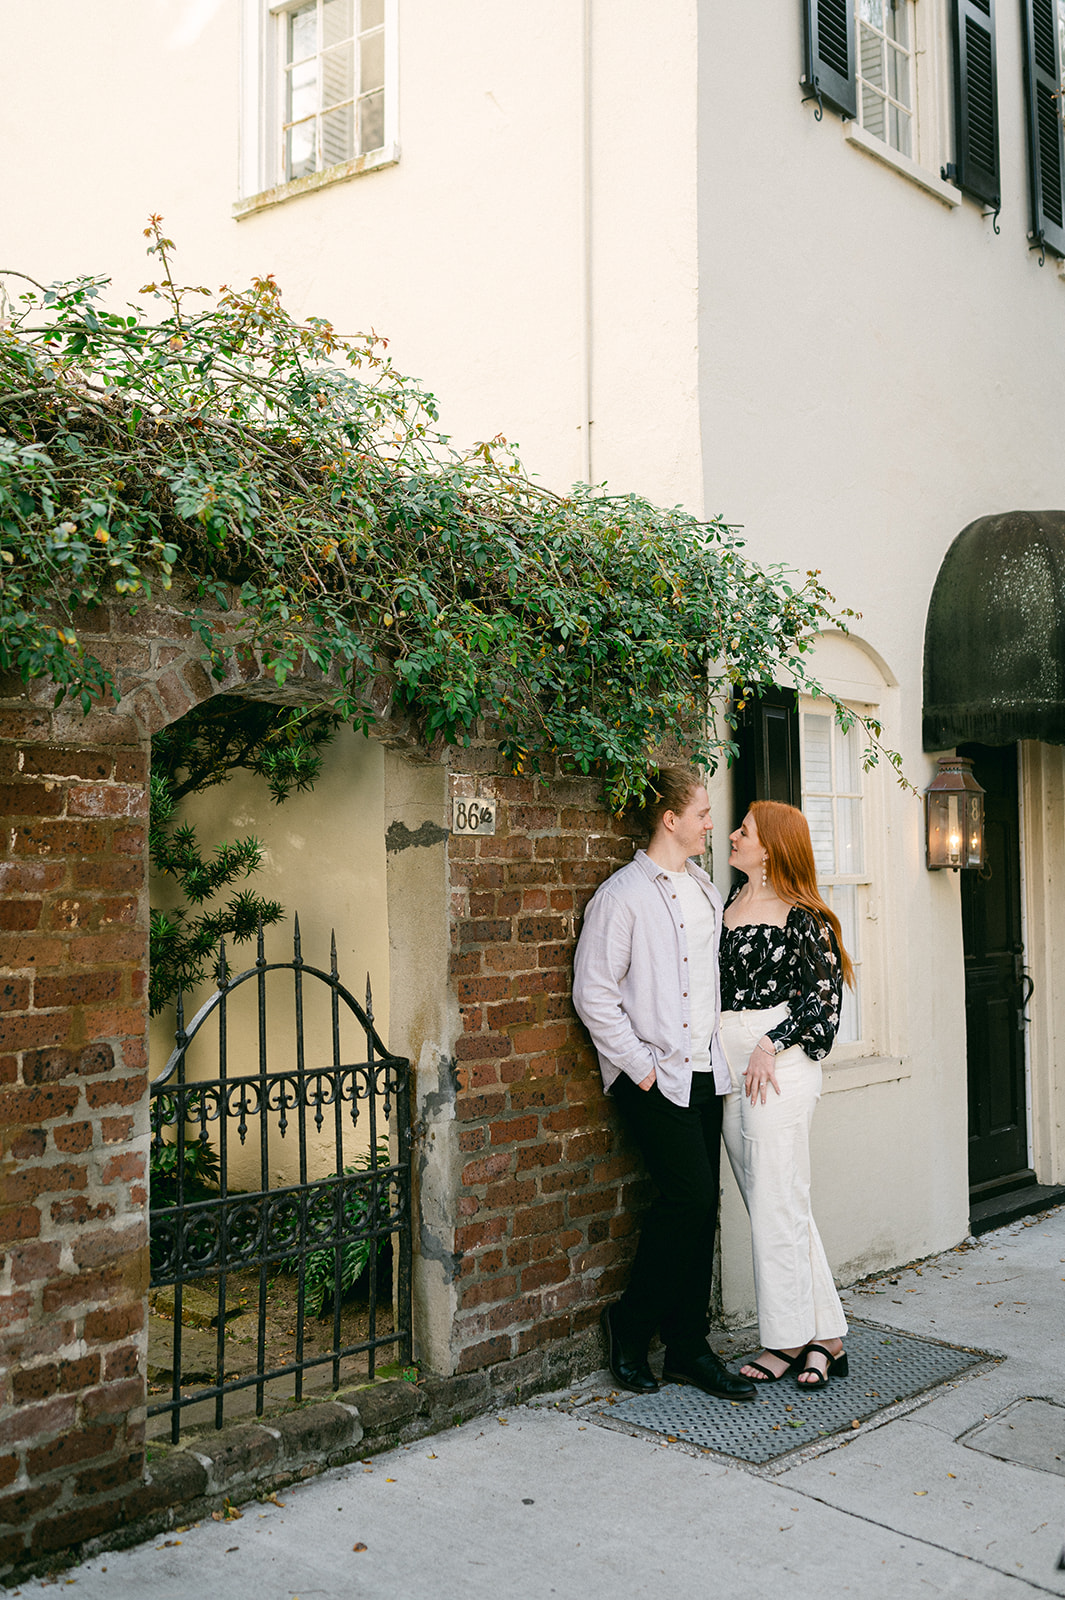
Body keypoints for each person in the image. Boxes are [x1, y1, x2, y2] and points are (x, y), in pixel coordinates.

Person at [573, 766, 755, 1401]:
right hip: (651, 1075)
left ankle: (687, 1347)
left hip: (706, 1071)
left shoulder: (706, 890)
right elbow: (593, 994)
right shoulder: (621, 897)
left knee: (703, 1208)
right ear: (670, 820)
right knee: (689, 1198)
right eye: (703, 813)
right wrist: (641, 1065)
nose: (713, 823)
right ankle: (630, 1324)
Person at [719, 799, 853, 1389]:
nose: (731, 834)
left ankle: (786, 1342)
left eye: (743, 830)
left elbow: (824, 1006)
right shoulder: (729, 901)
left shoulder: (805, 916)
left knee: (777, 1200)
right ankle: (828, 1337)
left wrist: (770, 1042)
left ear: (770, 846)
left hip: (777, 1065)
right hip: (727, 1064)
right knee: (773, 1200)